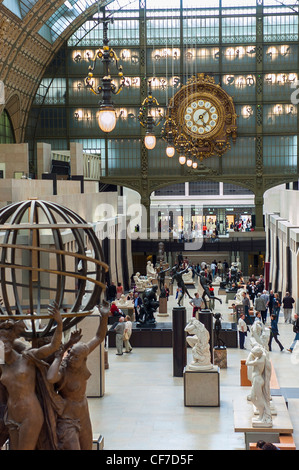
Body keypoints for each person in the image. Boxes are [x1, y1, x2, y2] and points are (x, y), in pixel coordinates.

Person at [46, 301, 109, 450]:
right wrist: (60, 355)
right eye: (71, 355)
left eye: (75, 357)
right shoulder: (63, 369)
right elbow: (50, 378)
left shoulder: (83, 354)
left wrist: (105, 317)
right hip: (67, 418)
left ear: (84, 359)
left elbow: (99, 337)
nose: (71, 359)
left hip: (83, 414)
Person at [0, 303, 63, 450]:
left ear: (12, 341)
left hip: (30, 415)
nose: (4, 345)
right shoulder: (1, 364)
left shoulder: (28, 358)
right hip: (11, 416)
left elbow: (53, 346)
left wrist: (59, 323)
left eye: (7, 341)